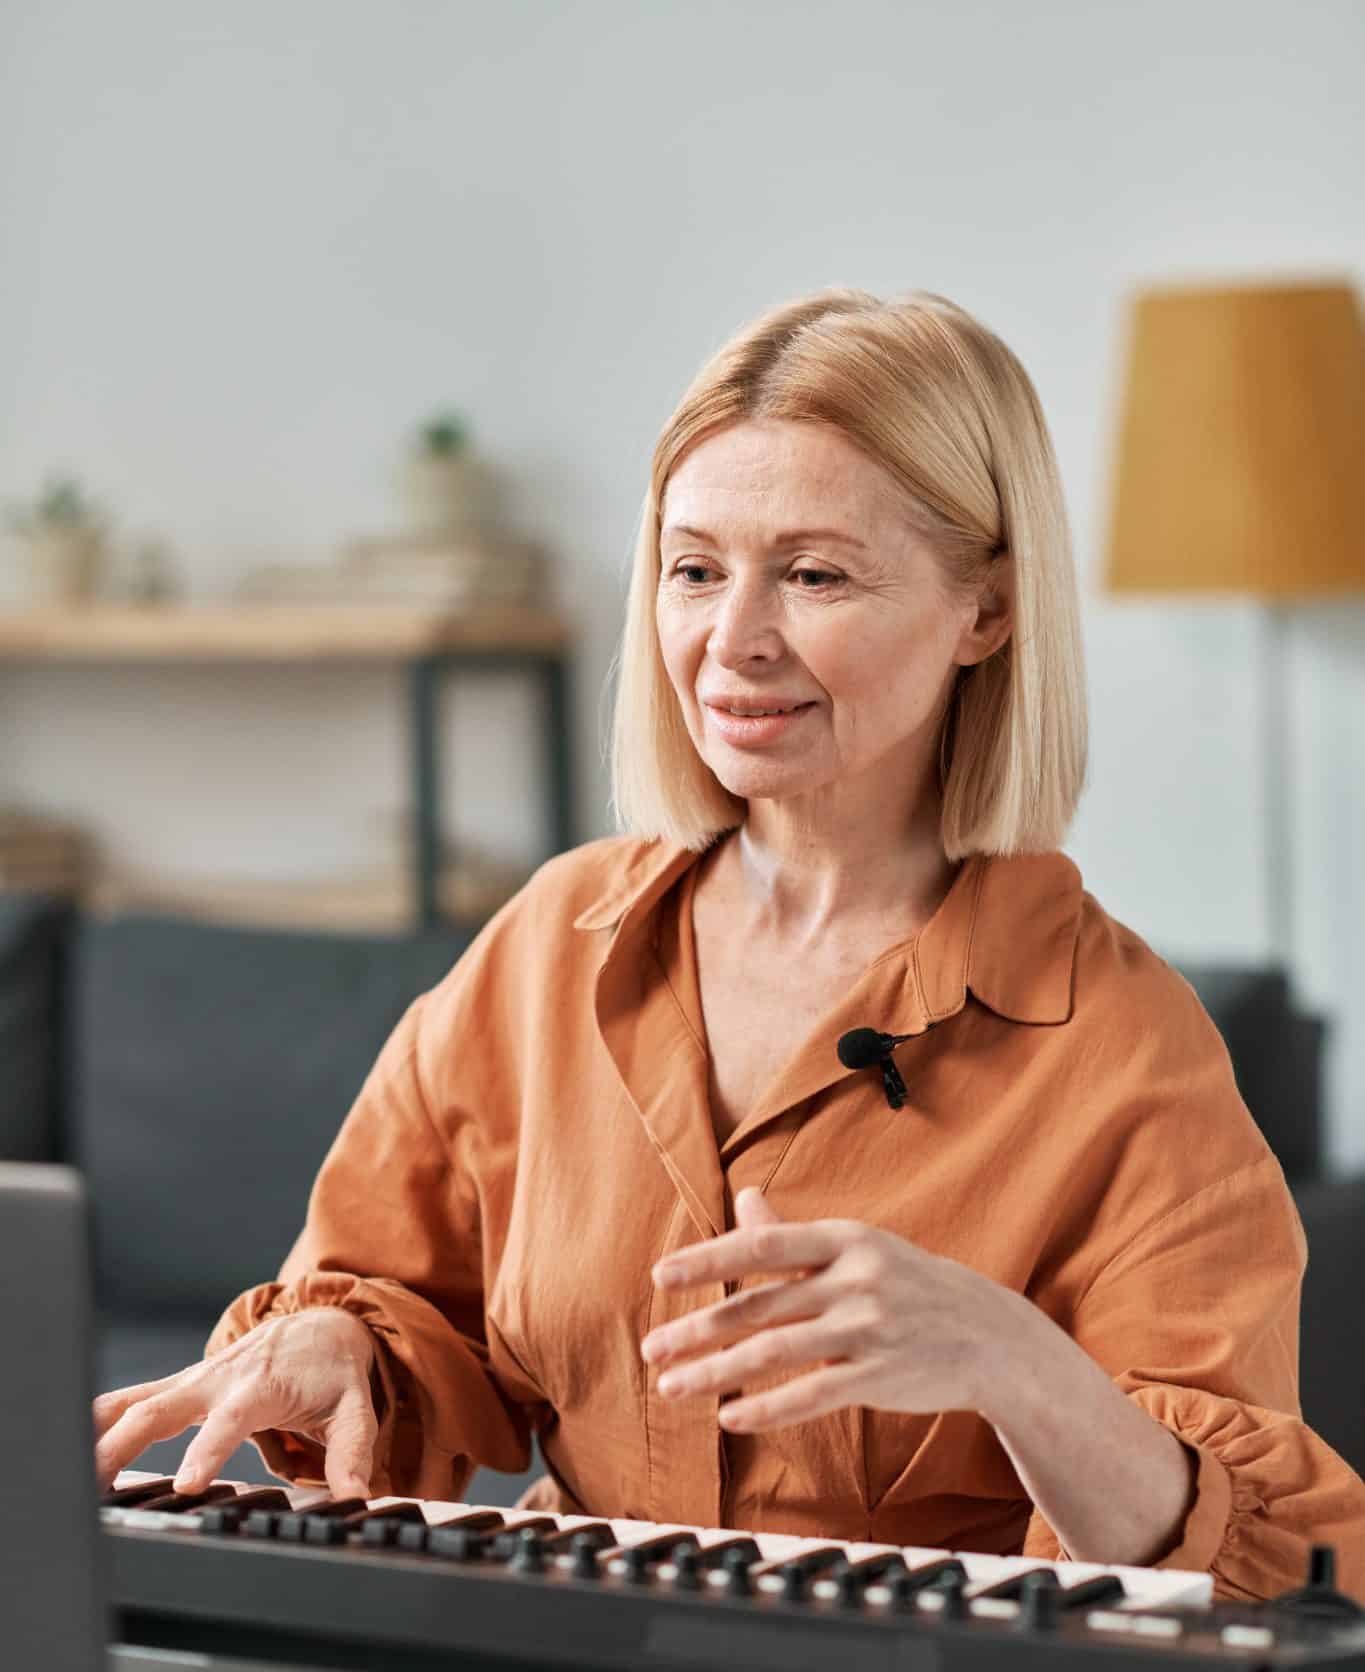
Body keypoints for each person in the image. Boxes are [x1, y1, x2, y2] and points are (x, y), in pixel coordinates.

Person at [95, 285, 1365, 1600]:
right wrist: (330, 1350)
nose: (731, 641)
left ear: (984, 612)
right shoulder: (549, 945)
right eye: (695, 569)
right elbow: (395, 1296)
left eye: (813, 575)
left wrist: (1013, 1367)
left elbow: (1264, 1580)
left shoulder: (1121, 1052)